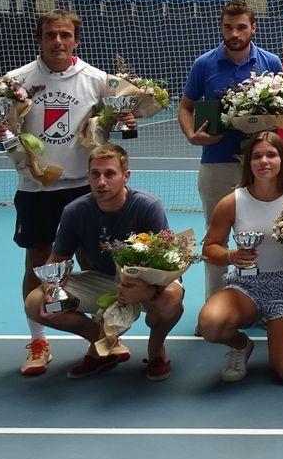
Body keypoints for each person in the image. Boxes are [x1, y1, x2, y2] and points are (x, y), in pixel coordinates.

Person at [0, 9, 135, 376]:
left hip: (86, 187)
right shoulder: (15, 82)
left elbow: (119, 118)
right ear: (39, 39)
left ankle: (103, 337)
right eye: (50, 35)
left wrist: (127, 118)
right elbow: (1, 132)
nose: (57, 42)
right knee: (39, 263)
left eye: (65, 35)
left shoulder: (99, 81)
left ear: (76, 40)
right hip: (37, 189)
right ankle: (39, 342)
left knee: (93, 263)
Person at [22, 144, 182, 380]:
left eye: (109, 173)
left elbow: (170, 263)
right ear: (88, 177)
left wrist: (147, 289)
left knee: (171, 299)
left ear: (125, 176)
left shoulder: (148, 206)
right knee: (37, 304)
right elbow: (57, 259)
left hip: (147, 281)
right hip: (103, 280)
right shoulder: (75, 211)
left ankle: (157, 350)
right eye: (95, 174)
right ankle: (102, 344)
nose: (101, 182)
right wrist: (49, 289)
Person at [179, 0, 283, 303]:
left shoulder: (271, 63)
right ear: (221, 27)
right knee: (216, 236)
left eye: (241, 27)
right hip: (217, 162)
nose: (234, 33)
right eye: (228, 27)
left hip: (261, 165)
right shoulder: (204, 64)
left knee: (266, 234)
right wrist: (191, 135)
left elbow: (282, 112)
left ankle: (265, 301)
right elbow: (186, 107)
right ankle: (215, 302)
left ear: (253, 27)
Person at [197, 133, 283, 384]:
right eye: (257, 156)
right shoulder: (232, 202)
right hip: (245, 287)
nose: (264, 161)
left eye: (271, 154)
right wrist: (231, 255)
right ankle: (240, 345)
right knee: (210, 324)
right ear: (248, 163)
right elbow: (210, 248)